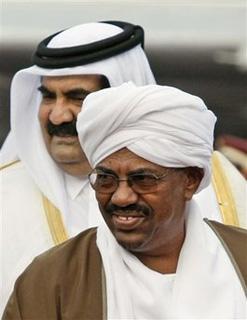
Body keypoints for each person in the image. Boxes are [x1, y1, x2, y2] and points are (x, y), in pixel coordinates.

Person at [3, 83, 246, 319]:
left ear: (191, 180)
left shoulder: (240, 259)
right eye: (106, 179)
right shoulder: (52, 280)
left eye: (142, 179)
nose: (121, 197)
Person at [0, 21, 156, 313]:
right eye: (48, 96)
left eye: (77, 97)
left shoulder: (199, 187)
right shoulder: (4, 196)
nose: (58, 115)